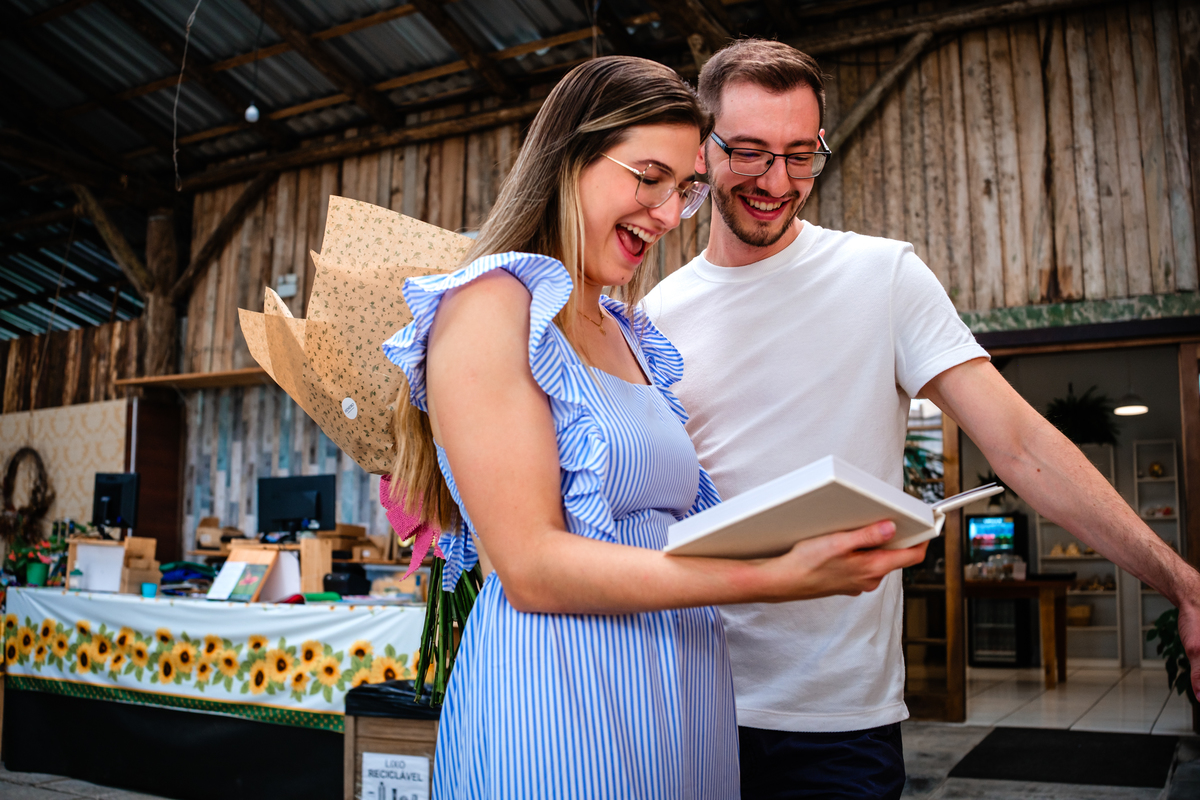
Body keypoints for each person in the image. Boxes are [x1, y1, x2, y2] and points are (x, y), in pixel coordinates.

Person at [643, 38, 1200, 800]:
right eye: (749, 152)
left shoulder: (883, 275)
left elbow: (1023, 446)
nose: (778, 181)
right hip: (683, 702)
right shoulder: (654, 315)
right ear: (702, 150)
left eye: (802, 155)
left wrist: (1181, 584)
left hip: (836, 723)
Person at [380, 56, 928, 798]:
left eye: (684, 189)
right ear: (570, 157)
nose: (670, 215)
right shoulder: (492, 306)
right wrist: (767, 577)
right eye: (648, 177)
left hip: (677, 690)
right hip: (568, 694)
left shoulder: (627, 330)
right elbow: (533, 568)